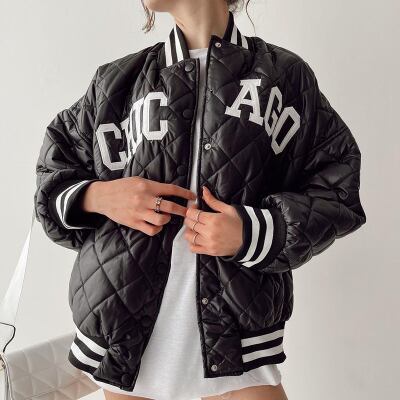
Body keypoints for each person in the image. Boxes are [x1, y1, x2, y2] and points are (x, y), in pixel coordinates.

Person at [33, 0, 367, 399]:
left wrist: (252, 232)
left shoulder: (282, 75)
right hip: (127, 342)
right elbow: (53, 175)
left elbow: (338, 187)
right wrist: (100, 196)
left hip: (236, 339)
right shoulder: (117, 81)